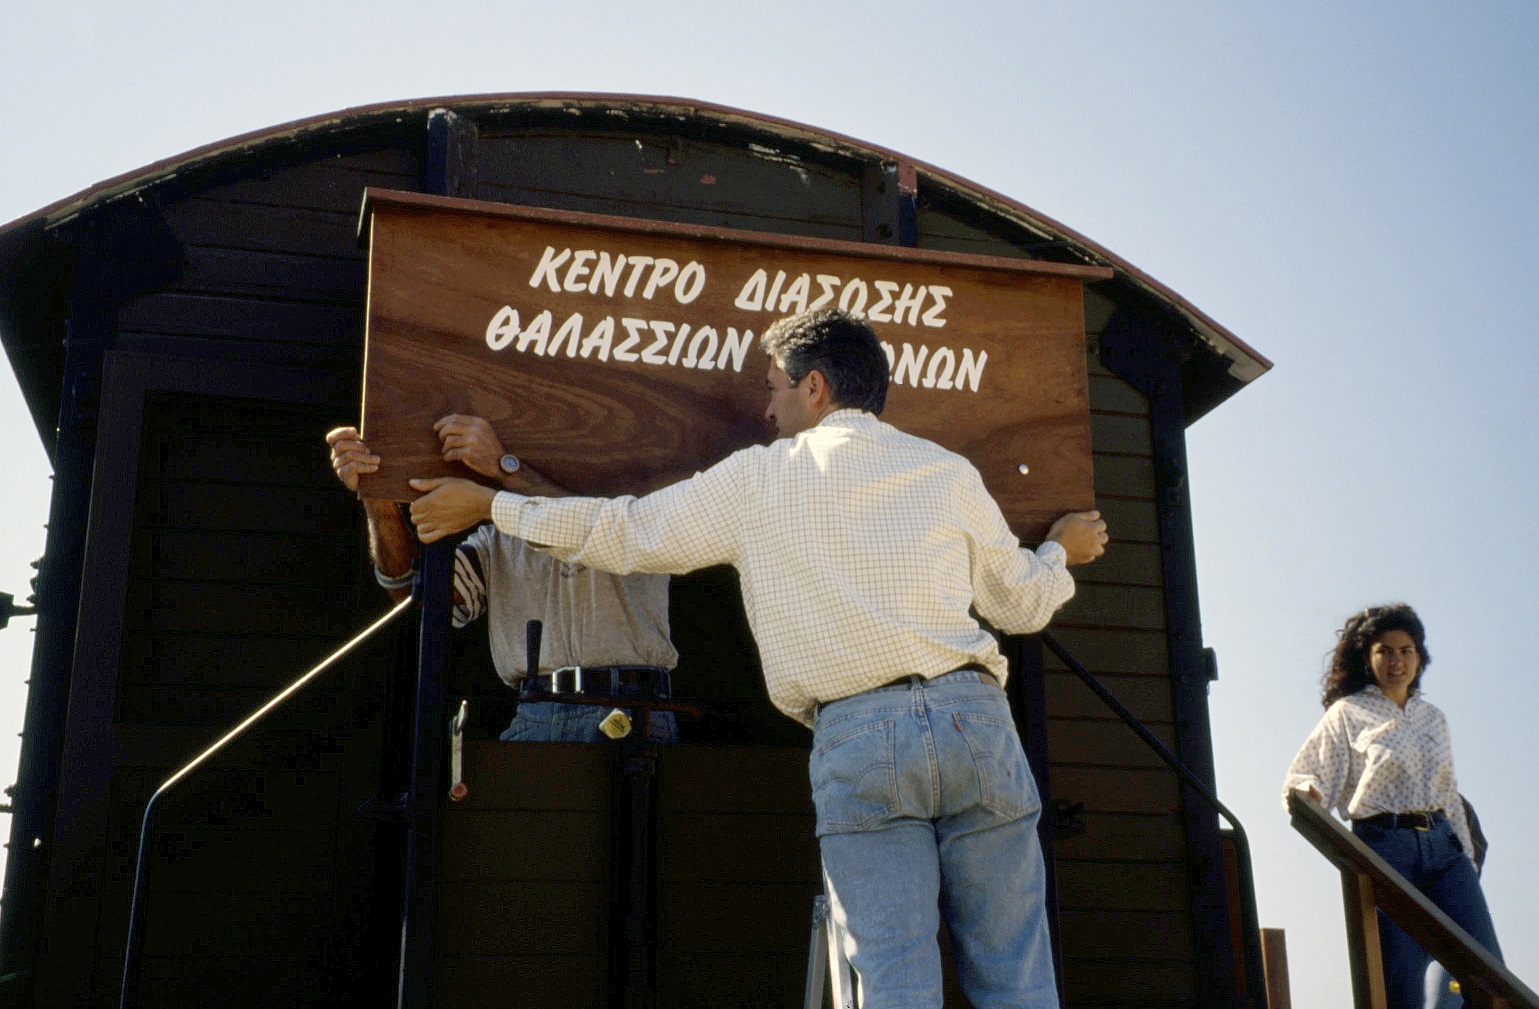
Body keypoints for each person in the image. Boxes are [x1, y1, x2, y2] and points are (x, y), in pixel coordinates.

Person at [405, 307, 1108, 1008]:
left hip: (858, 731)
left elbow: (622, 533)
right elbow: (1022, 606)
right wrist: (1058, 551)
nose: (765, 409)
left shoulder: (758, 479)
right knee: (1016, 975)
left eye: (773, 387)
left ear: (815, 389)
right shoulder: (947, 471)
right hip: (974, 719)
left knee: (894, 980)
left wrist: (492, 507)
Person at [326, 413, 678, 743]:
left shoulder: (637, 488)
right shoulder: (499, 533)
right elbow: (414, 593)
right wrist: (377, 495)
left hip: (636, 709)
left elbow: (592, 528)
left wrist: (503, 466)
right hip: (537, 712)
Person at [1283, 604, 1502, 1009]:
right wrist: (1309, 794)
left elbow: (1449, 794)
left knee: (1489, 976)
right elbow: (1308, 775)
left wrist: (1467, 860)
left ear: (1419, 658)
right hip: (1385, 849)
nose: (1396, 661)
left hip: (1445, 848)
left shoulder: (1434, 718)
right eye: (1385, 651)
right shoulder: (1348, 713)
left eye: (1406, 651)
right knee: (1399, 984)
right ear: (1369, 658)